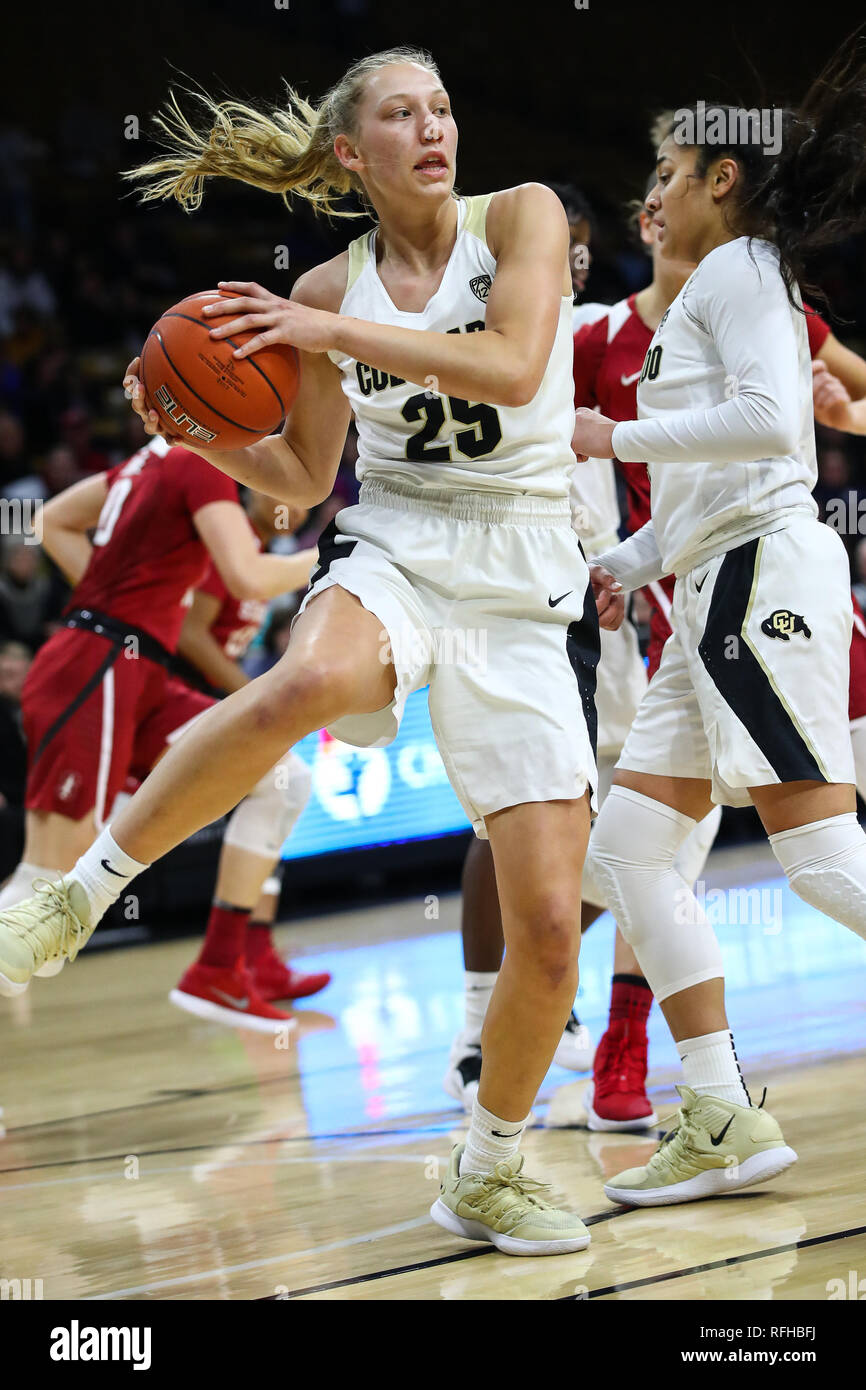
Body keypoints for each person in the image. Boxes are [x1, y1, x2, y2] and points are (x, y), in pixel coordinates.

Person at [0, 47, 621, 1256]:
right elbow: (293, 484)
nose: (434, 130)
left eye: (441, 108)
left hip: (521, 574)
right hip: (400, 539)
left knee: (548, 929)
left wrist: (318, 325)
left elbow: (511, 363)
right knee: (312, 679)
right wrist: (191, 430)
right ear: (352, 154)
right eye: (402, 115)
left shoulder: (522, 217)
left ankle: (486, 1167)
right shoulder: (335, 283)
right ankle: (77, 899)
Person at [572, 56, 866, 1206]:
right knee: (630, 855)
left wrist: (612, 440)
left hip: (759, 581)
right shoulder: (709, 289)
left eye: (667, 171)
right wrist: (628, 558)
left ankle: (717, 1108)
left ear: (721, 178)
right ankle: (719, 1112)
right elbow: (702, 491)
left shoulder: (746, 268)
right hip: (704, 585)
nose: (650, 191)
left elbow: (762, 423)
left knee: (819, 856)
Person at [0, 435, 316, 1033]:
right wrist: (331, 551)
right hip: (97, 663)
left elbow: (49, 522)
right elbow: (247, 577)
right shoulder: (199, 461)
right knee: (43, 885)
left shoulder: (149, 460)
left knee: (280, 776)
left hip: (140, 667)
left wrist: (123, 588)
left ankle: (220, 967)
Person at [171, 490, 330, 1006]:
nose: (294, 502)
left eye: (302, 495)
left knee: (280, 800)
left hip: (213, 699)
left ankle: (257, 960)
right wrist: (251, 695)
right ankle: (241, 962)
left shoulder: (266, 555)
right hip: (180, 699)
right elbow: (192, 636)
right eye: (280, 490)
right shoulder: (232, 546)